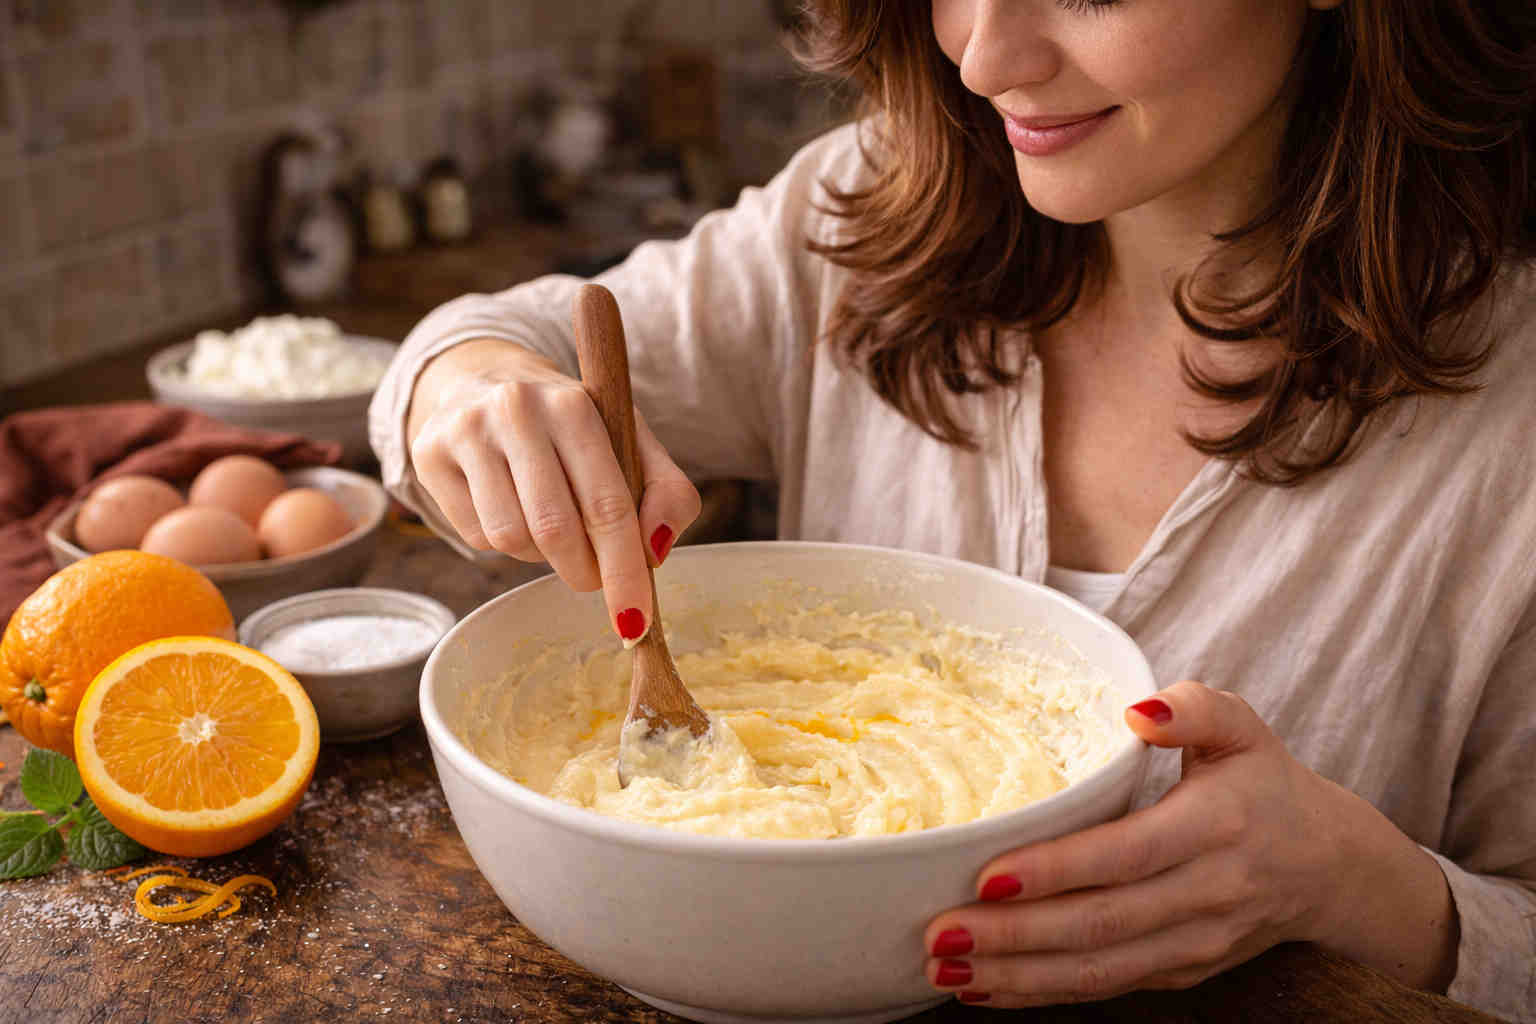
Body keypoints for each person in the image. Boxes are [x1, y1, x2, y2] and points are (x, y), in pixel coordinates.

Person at [369, 1, 1535, 1018]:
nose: (982, 55)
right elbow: (486, 344)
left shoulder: (1508, 428)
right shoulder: (865, 211)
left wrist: (1357, 881)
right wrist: (470, 394)